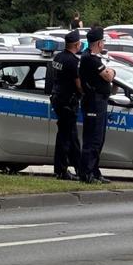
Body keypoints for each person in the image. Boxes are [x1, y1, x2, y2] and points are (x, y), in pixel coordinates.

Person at [79, 26, 116, 184]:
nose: (104, 44)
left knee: (99, 139)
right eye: (103, 41)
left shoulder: (92, 57)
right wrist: (112, 71)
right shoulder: (90, 59)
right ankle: (87, 173)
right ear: (99, 43)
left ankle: (94, 171)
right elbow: (108, 77)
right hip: (93, 102)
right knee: (92, 139)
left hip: (98, 101)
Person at [49, 30, 83, 180]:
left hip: (58, 99)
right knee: (65, 137)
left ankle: (79, 168)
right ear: (77, 44)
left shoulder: (58, 57)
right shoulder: (73, 61)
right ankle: (61, 170)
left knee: (72, 136)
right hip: (68, 102)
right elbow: (78, 85)